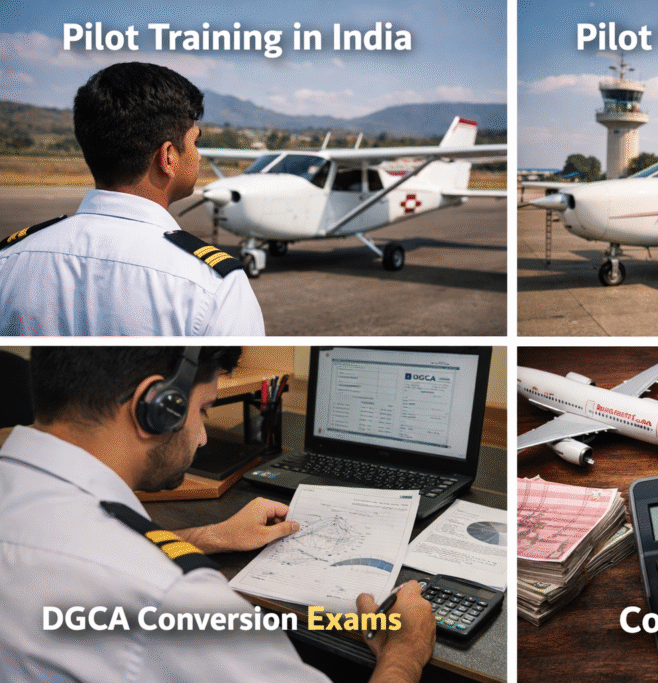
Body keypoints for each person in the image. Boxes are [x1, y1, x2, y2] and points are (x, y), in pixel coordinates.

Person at [0, 348, 435, 682]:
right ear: (158, 406)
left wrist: (210, 536)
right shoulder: (172, 596)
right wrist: (405, 652)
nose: (205, 437)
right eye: (204, 409)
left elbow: (74, 548)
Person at [0, 62, 265, 336]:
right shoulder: (215, 284)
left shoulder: (8, 258)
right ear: (168, 157)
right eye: (195, 142)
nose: (197, 155)